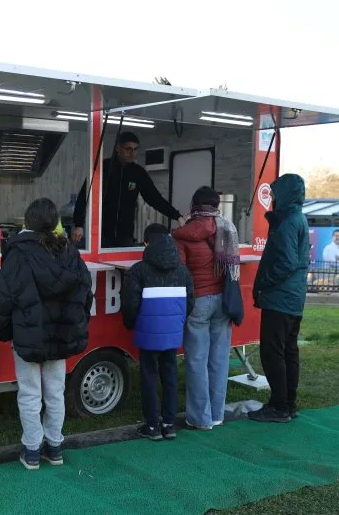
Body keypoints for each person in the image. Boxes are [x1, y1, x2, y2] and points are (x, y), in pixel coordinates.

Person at [0, 198, 93, 470]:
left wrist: (0, 331)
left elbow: (4, 296)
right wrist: (78, 320)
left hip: (27, 337)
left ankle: (33, 450)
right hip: (61, 335)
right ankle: (55, 447)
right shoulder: (70, 251)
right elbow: (86, 290)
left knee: (29, 393)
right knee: (55, 392)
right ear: (54, 222)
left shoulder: (17, 252)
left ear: (28, 221)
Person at [173, 187, 241, 430]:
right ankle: (217, 414)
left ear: (194, 206)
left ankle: (199, 418)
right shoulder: (227, 228)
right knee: (220, 360)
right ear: (216, 206)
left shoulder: (182, 234)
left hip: (199, 302)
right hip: (223, 300)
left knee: (196, 360)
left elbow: (179, 271)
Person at [121, 223, 194, 441]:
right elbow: (190, 301)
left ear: (146, 243)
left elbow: (130, 304)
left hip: (147, 332)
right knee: (170, 375)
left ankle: (152, 426)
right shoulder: (183, 270)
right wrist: (178, 322)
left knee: (149, 376)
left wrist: (131, 323)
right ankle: (170, 424)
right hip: (172, 333)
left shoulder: (138, 270)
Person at [248, 174, 310, 424]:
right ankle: (288, 403)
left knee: (273, 352)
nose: (271, 198)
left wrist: (263, 283)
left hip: (280, 299)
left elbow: (286, 262)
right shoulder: (299, 218)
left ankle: (279, 406)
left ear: (285, 194)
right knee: (288, 351)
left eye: (274, 194)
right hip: (294, 298)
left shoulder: (287, 223)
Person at [71, 132, 185, 248]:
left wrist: (177, 216)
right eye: (128, 149)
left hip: (125, 236)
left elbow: (155, 199)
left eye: (135, 149)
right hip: (100, 234)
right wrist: (79, 224)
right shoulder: (103, 168)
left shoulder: (138, 173)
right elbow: (84, 197)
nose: (132, 153)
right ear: (118, 148)